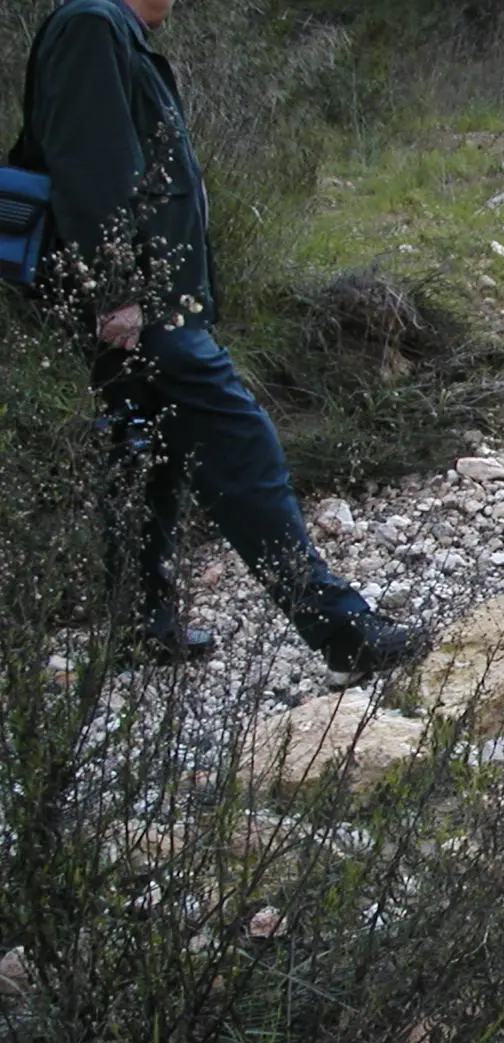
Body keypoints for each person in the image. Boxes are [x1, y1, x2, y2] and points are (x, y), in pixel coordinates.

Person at [10, 0, 428, 685]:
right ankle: (343, 630)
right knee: (243, 446)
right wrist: (118, 293)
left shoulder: (114, 32)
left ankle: (143, 627)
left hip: (150, 307)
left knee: (141, 458)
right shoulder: (91, 26)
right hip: (146, 311)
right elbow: (92, 165)